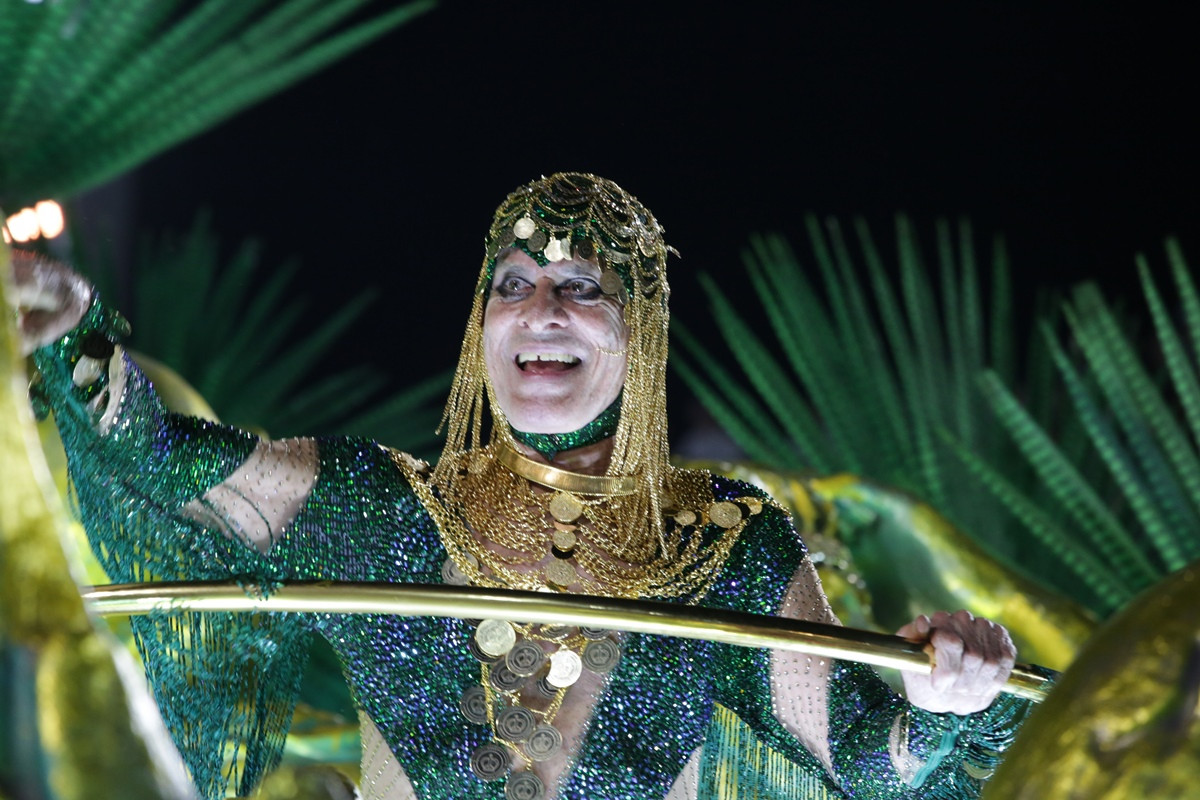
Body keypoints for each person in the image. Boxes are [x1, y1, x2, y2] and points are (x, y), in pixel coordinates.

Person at [10, 173, 1032, 800]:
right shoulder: (380, 510)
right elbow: (160, 460)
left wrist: (941, 696)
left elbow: (869, 758)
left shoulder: (722, 540)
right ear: (483, 328)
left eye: (581, 286)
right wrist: (71, 332)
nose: (540, 307)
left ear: (638, 331)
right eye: (513, 284)